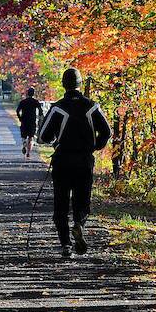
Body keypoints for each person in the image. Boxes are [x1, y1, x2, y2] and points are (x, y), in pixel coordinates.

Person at [37, 68, 110, 257]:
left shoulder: (58, 107)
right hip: (85, 160)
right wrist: (95, 146)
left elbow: (44, 135)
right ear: (80, 84)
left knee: (60, 204)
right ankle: (79, 224)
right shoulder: (92, 106)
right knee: (82, 200)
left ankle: (65, 245)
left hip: (62, 161)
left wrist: (55, 141)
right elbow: (107, 131)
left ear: (63, 84)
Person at [16, 87, 44, 160]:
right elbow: (40, 110)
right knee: (31, 137)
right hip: (32, 121)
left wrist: (20, 118)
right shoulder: (35, 102)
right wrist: (40, 117)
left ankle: (24, 143)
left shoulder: (23, 102)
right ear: (33, 93)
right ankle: (28, 153)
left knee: (24, 136)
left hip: (24, 121)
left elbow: (17, 110)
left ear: (27, 93)